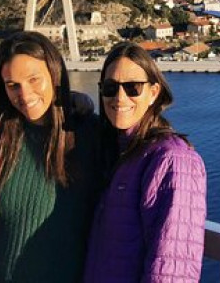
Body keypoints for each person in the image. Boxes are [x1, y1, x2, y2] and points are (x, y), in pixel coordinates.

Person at [0, 31, 101, 283]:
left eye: (34, 79)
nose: (25, 94)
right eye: (13, 85)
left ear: (54, 75)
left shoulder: (90, 134)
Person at [83, 42, 207, 283]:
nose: (120, 97)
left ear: (153, 92)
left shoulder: (172, 160)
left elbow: (171, 269)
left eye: (133, 88)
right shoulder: (120, 152)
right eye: (110, 88)